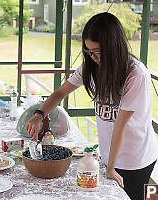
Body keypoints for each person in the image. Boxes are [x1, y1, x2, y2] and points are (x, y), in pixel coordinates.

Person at [26, 12, 158, 200]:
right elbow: (59, 93)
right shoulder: (91, 67)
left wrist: (111, 168)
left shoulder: (135, 74)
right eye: (88, 51)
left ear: (114, 47)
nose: (93, 57)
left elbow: (120, 125)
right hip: (109, 156)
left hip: (135, 159)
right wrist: (39, 114)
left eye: (97, 52)